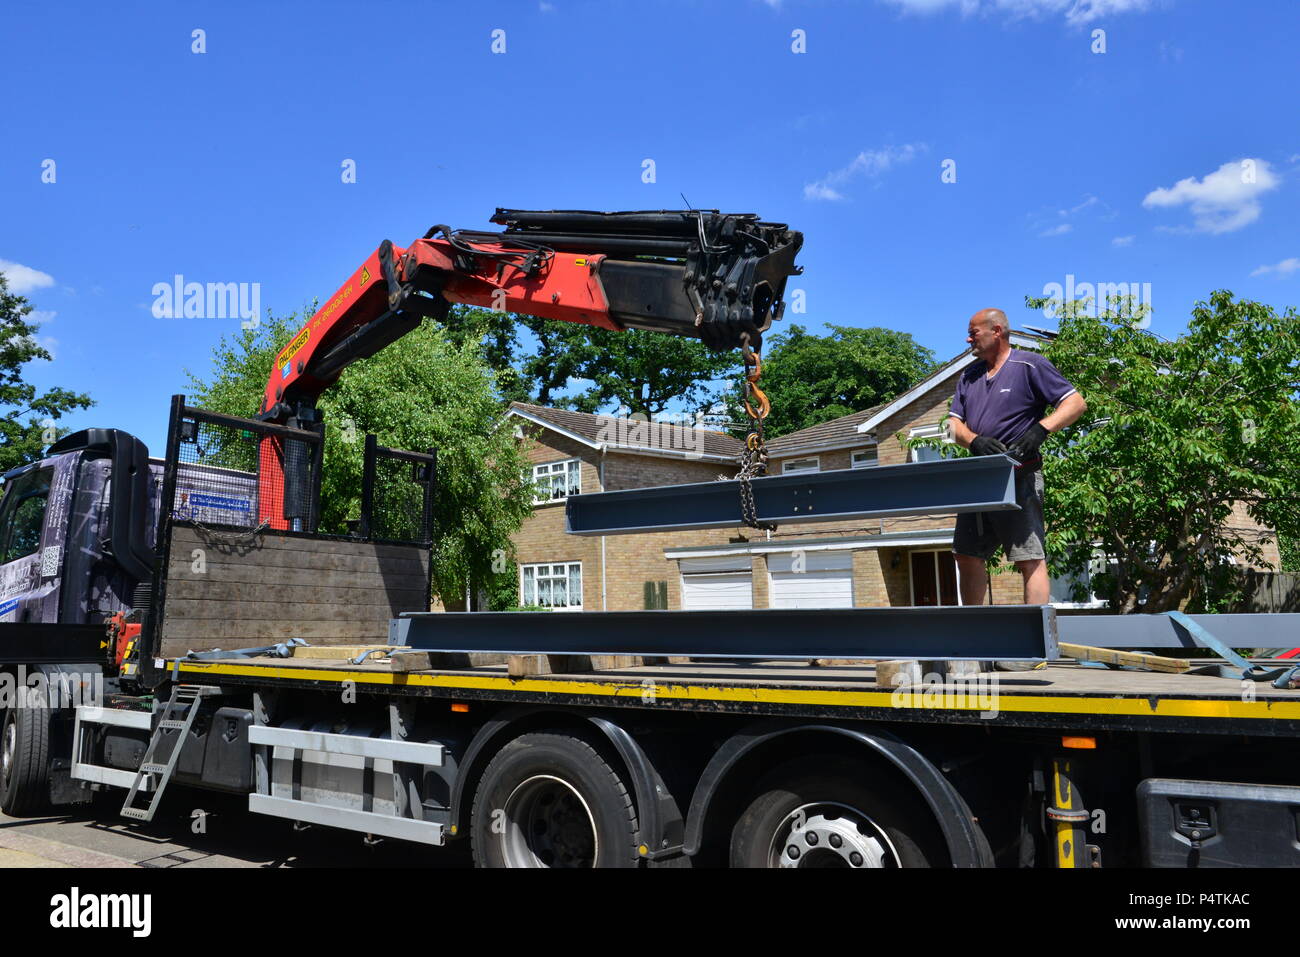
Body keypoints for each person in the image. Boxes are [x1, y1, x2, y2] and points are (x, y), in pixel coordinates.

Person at [946, 308, 1087, 605]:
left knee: (1029, 557)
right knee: (966, 554)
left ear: (997, 331)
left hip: (1019, 475)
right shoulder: (969, 376)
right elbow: (952, 426)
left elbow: (1075, 404)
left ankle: (1035, 639)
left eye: (974, 333)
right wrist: (974, 441)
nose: (968, 338)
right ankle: (974, 640)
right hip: (979, 478)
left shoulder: (1030, 365)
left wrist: (1041, 429)